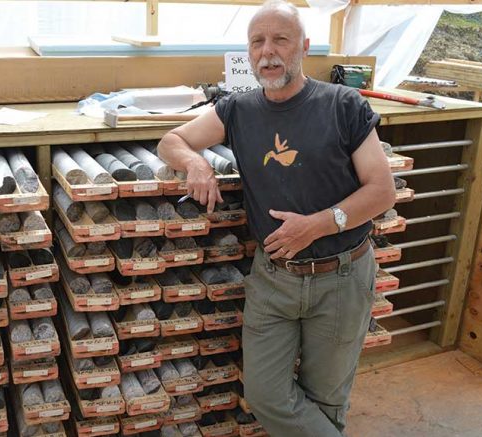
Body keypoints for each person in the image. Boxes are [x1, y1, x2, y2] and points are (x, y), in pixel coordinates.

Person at [156, 1, 395, 435]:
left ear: (303, 46)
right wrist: (196, 164)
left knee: (326, 398)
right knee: (266, 396)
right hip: (273, 278)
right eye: (257, 42)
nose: (268, 53)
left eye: (280, 40)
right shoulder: (238, 110)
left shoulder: (343, 104)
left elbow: (382, 190)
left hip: (340, 276)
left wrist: (319, 224)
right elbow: (171, 140)